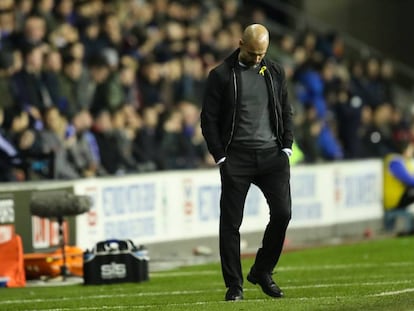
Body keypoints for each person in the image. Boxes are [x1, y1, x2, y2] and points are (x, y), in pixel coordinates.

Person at [200, 24, 293, 301]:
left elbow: (286, 109)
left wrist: (286, 146)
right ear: (240, 43)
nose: (257, 59)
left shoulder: (275, 71)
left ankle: (262, 271)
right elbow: (208, 119)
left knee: (283, 214)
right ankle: (234, 286)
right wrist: (221, 156)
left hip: (271, 157)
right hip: (236, 158)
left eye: (261, 54)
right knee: (230, 224)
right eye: (252, 53)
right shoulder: (220, 75)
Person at [383, 139, 414, 235]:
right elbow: (407, 179)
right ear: (405, 150)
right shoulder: (395, 161)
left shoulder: (403, 161)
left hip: (401, 196)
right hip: (395, 199)